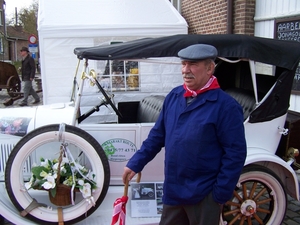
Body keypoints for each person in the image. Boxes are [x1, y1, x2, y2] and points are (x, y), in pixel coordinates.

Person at [122, 44, 247, 225]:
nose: (185, 70)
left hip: (204, 194)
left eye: (193, 64)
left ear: (210, 68)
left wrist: (219, 195)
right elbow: (157, 136)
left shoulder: (226, 106)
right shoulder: (174, 96)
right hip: (173, 190)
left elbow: (235, 154)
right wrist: (136, 163)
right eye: (183, 64)